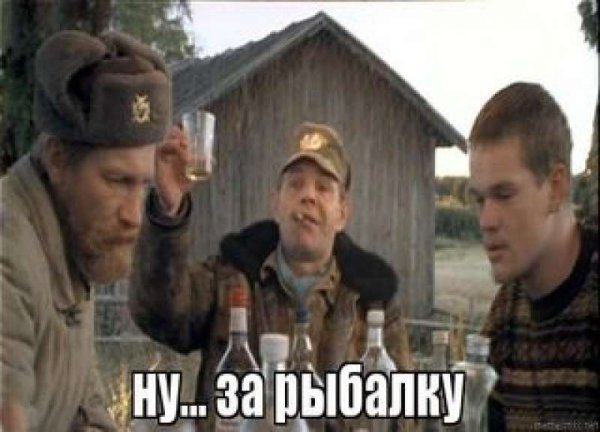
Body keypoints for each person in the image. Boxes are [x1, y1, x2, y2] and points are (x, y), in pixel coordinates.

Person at [129, 121, 413, 430]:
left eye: (323, 187)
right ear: (275, 203)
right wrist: (168, 212)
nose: (308, 196)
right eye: (295, 184)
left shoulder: (373, 304)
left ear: (342, 212)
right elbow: (159, 314)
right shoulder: (229, 279)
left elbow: (408, 416)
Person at [0, 30, 171, 431]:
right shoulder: (9, 254)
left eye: (143, 186)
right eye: (117, 181)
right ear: (58, 159)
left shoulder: (71, 238)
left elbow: (82, 405)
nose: (134, 215)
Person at [467, 82, 599, 430]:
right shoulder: (507, 312)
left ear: (556, 187)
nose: (486, 221)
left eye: (504, 195)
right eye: (480, 199)